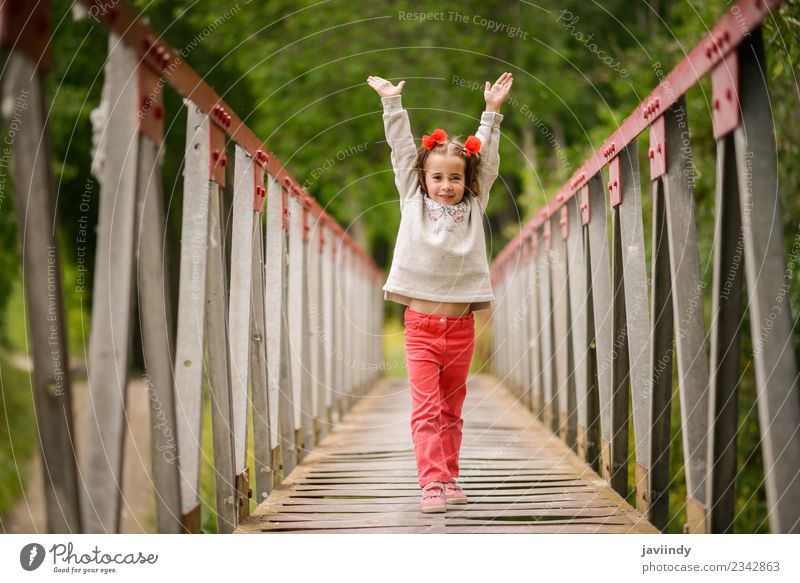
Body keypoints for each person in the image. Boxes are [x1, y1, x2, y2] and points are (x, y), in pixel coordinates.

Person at [366, 72, 513, 513]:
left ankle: (449, 476)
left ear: (465, 182)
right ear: (423, 179)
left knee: (452, 410)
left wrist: (491, 113)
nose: (445, 185)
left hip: (461, 328)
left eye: (454, 178)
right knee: (427, 410)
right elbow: (401, 151)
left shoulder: (473, 207)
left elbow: (485, 163)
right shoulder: (412, 199)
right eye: (437, 178)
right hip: (421, 327)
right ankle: (431, 483)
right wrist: (392, 103)